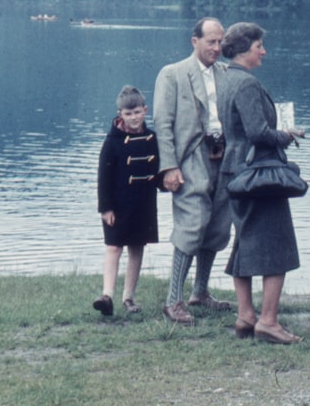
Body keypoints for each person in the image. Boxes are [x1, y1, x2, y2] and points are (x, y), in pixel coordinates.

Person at [218, 22, 306, 344]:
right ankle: (268, 321)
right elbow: (258, 133)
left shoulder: (227, 78)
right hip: (259, 176)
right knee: (277, 245)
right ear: (245, 49)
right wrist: (287, 135)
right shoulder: (247, 84)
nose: (264, 51)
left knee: (244, 241)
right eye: (259, 46)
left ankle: (246, 316)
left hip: (234, 171)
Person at [153, 17, 234, 324]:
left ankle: (200, 292)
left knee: (217, 225)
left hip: (223, 158)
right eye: (211, 41)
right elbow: (162, 124)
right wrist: (169, 167)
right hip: (189, 159)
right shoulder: (172, 74)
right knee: (192, 223)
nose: (217, 47)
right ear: (194, 41)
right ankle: (172, 300)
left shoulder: (227, 73)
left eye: (220, 42)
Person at [93, 85, 160, 316]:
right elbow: (103, 176)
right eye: (128, 113)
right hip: (118, 205)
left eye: (137, 112)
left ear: (145, 110)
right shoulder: (112, 141)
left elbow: (158, 170)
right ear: (120, 114)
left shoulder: (153, 138)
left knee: (136, 248)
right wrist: (105, 207)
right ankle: (107, 295)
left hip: (143, 203)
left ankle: (129, 298)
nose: (133, 118)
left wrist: (168, 182)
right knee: (113, 247)